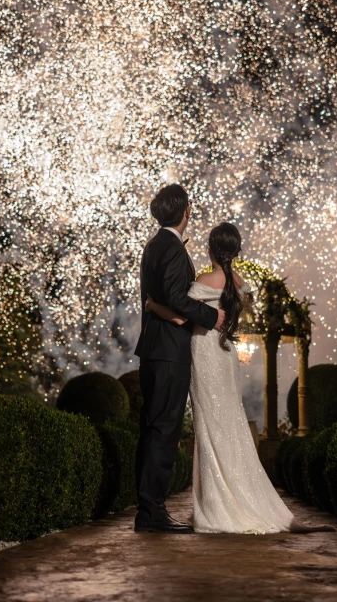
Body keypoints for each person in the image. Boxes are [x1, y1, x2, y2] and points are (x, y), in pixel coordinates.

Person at [146, 221, 335, 534]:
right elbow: (242, 314)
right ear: (236, 250)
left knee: (210, 428)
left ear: (211, 249)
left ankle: (219, 507)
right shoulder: (240, 282)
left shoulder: (206, 279)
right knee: (232, 423)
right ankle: (246, 500)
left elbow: (180, 315)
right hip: (226, 354)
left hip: (204, 354)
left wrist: (153, 305)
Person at [134, 184, 226, 533]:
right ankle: (152, 512)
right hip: (169, 352)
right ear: (186, 211)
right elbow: (176, 296)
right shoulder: (171, 248)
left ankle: (148, 509)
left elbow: (160, 297)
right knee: (163, 431)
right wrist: (210, 316)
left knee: (152, 430)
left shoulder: (154, 246)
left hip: (154, 351)